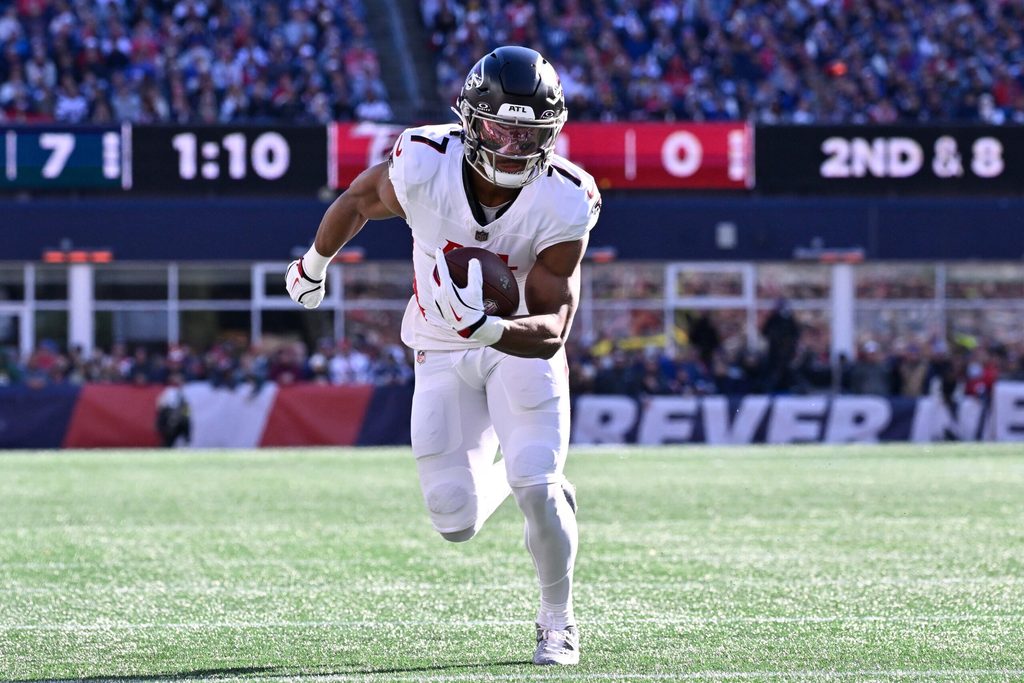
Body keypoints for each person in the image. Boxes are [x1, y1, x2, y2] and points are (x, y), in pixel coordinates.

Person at [285, 46, 601, 666]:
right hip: (436, 341)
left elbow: (553, 326)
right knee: (453, 520)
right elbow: (356, 201)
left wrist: (486, 328)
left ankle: (557, 619)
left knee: (535, 481)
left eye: (528, 133)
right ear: (469, 120)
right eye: (499, 128)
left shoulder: (565, 197)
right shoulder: (425, 163)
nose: (512, 146)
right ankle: (527, 482)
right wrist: (313, 265)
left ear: (552, 134)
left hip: (513, 346)